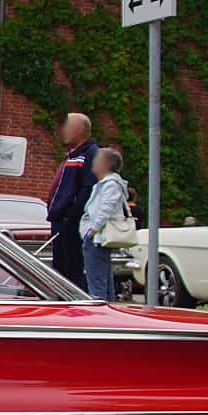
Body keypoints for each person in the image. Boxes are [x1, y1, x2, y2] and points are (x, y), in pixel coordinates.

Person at [45, 112, 97, 284]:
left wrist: (71, 215)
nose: (64, 130)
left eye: (68, 126)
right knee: (59, 267)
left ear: (80, 129)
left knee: (72, 269)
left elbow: (87, 188)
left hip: (70, 222)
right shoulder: (73, 155)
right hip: (60, 219)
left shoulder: (89, 154)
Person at [79, 147, 129, 300]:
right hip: (97, 237)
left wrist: (93, 231)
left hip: (97, 238)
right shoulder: (105, 183)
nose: (93, 162)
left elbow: (106, 208)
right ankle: (109, 312)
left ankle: (99, 314)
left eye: (97, 159)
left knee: (96, 284)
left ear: (106, 164)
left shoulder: (110, 184)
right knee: (104, 283)